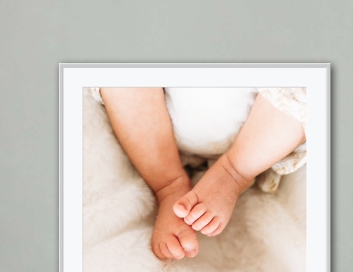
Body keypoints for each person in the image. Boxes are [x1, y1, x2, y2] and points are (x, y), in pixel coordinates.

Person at [93, 86, 306, 261]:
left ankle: (233, 173)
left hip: (262, 127)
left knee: (308, 81)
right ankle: (168, 184)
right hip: (162, 123)